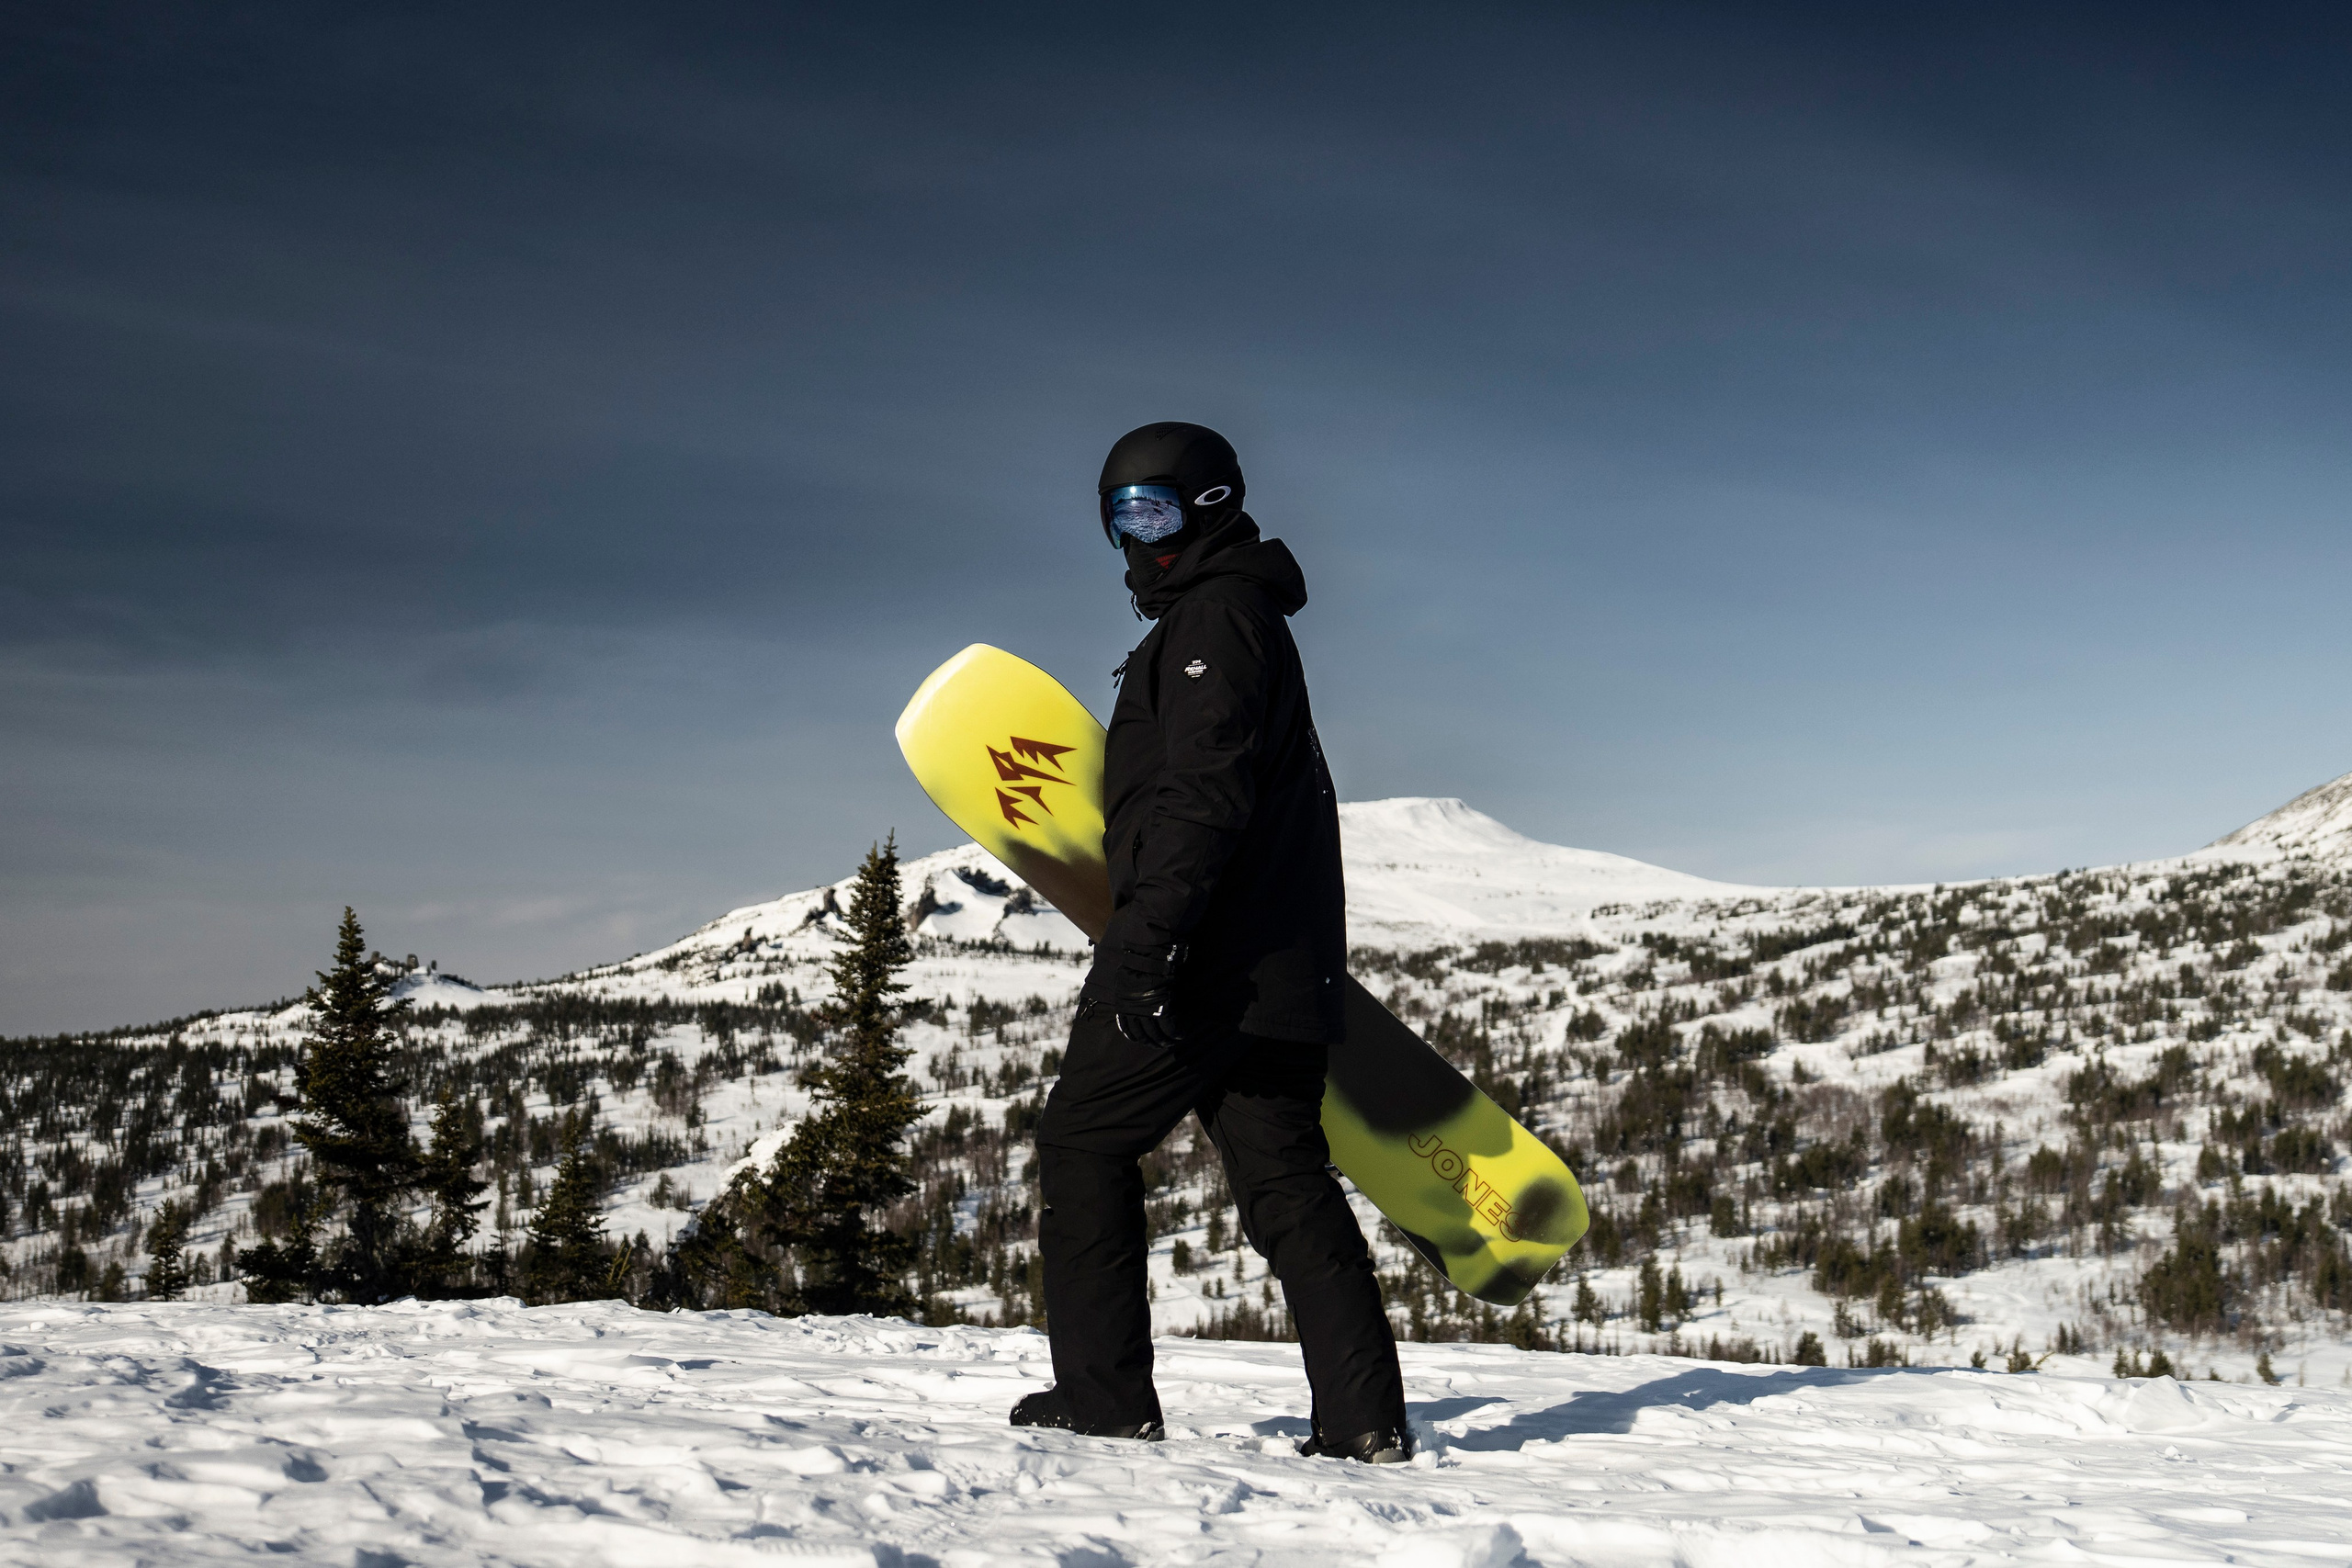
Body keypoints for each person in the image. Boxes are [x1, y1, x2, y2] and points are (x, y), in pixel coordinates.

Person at [1010, 422, 1412, 1463]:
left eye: (1154, 511)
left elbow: (1202, 795)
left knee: (1083, 1141)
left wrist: (1146, 946)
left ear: (1212, 505)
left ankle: (1103, 1398)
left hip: (1202, 960)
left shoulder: (1214, 621)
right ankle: (1362, 1418)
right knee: (1285, 1181)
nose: (1136, 539)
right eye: (1118, 518)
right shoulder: (1240, 617)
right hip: (1274, 962)